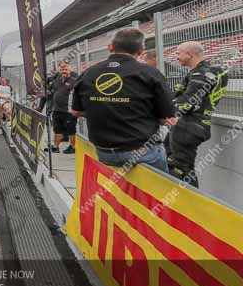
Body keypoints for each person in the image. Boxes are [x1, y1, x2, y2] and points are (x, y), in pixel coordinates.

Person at [70, 28, 176, 173]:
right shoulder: (150, 73)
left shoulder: (88, 73)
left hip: (103, 152)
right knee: (165, 181)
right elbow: (168, 118)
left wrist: (105, 108)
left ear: (110, 48)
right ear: (140, 51)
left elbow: (76, 112)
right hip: (142, 153)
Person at [168, 41, 228, 187]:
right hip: (196, 125)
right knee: (179, 165)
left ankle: (188, 206)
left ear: (189, 54)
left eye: (178, 53)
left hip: (189, 127)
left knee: (179, 169)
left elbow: (187, 102)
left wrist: (162, 111)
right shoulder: (213, 71)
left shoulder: (201, 73)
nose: (176, 57)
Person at [50, 61, 79, 154]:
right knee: (57, 129)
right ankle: (55, 147)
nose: (64, 71)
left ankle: (73, 147)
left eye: (66, 69)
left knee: (71, 130)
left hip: (69, 111)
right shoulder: (57, 80)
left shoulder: (74, 80)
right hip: (57, 110)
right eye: (62, 69)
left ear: (70, 70)